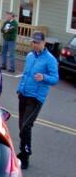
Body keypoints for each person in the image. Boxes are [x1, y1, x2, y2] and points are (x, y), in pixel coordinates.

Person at [15, 32, 59, 169]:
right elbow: (26, 74)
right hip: (24, 94)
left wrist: (44, 77)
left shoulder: (50, 60)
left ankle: (26, 154)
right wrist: (19, 89)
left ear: (44, 43)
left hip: (36, 98)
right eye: (34, 42)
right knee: (21, 126)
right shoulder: (29, 56)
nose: (35, 44)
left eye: (38, 42)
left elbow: (55, 78)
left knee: (26, 126)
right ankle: (23, 151)